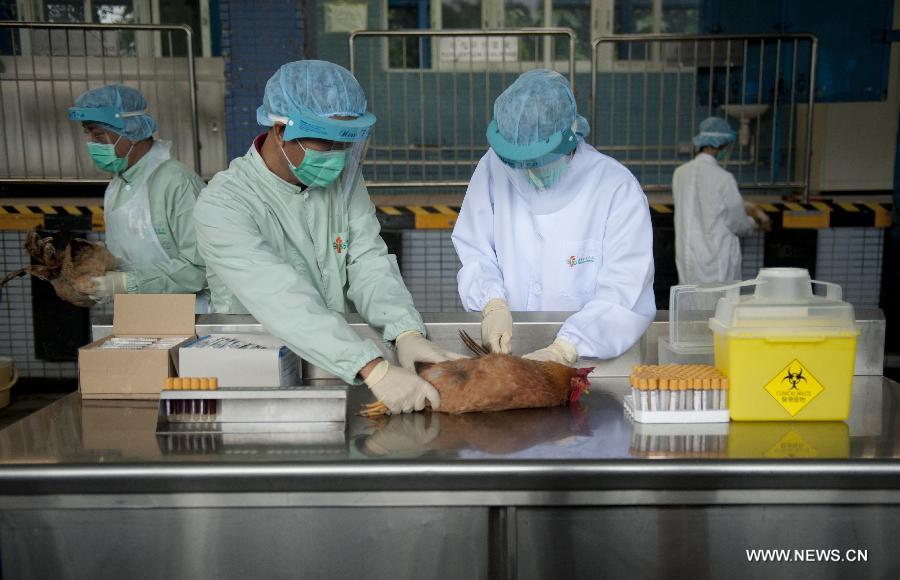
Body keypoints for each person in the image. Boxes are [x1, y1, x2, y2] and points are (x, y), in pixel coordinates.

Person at [193, 60, 462, 414]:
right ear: (280, 130)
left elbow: (367, 258)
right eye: (325, 142)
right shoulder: (224, 204)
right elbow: (279, 296)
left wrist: (404, 330)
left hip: (337, 361)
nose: (337, 157)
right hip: (256, 363)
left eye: (344, 144)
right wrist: (373, 368)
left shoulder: (342, 178)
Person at [452, 69, 656, 365]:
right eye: (519, 162)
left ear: (569, 139)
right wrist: (492, 302)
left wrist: (565, 348)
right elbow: (475, 248)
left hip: (591, 363)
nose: (529, 171)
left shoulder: (616, 189)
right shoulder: (493, 167)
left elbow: (625, 292)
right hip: (506, 354)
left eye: (540, 159)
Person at [67, 84, 208, 310]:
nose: (92, 143)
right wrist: (99, 277)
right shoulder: (117, 185)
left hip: (188, 318)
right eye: (88, 134)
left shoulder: (177, 182)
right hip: (137, 315)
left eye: (98, 134)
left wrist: (124, 283)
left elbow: (200, 268)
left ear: (131, 130)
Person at [672, 116, 771, 285]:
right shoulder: (723, 178)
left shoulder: (680, 174)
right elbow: (737, 222)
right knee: (719, 306)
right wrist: (754, 223)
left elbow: (700, 203)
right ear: (720, 145)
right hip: (717, 260)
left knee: (692, 304)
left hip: (689, 257)